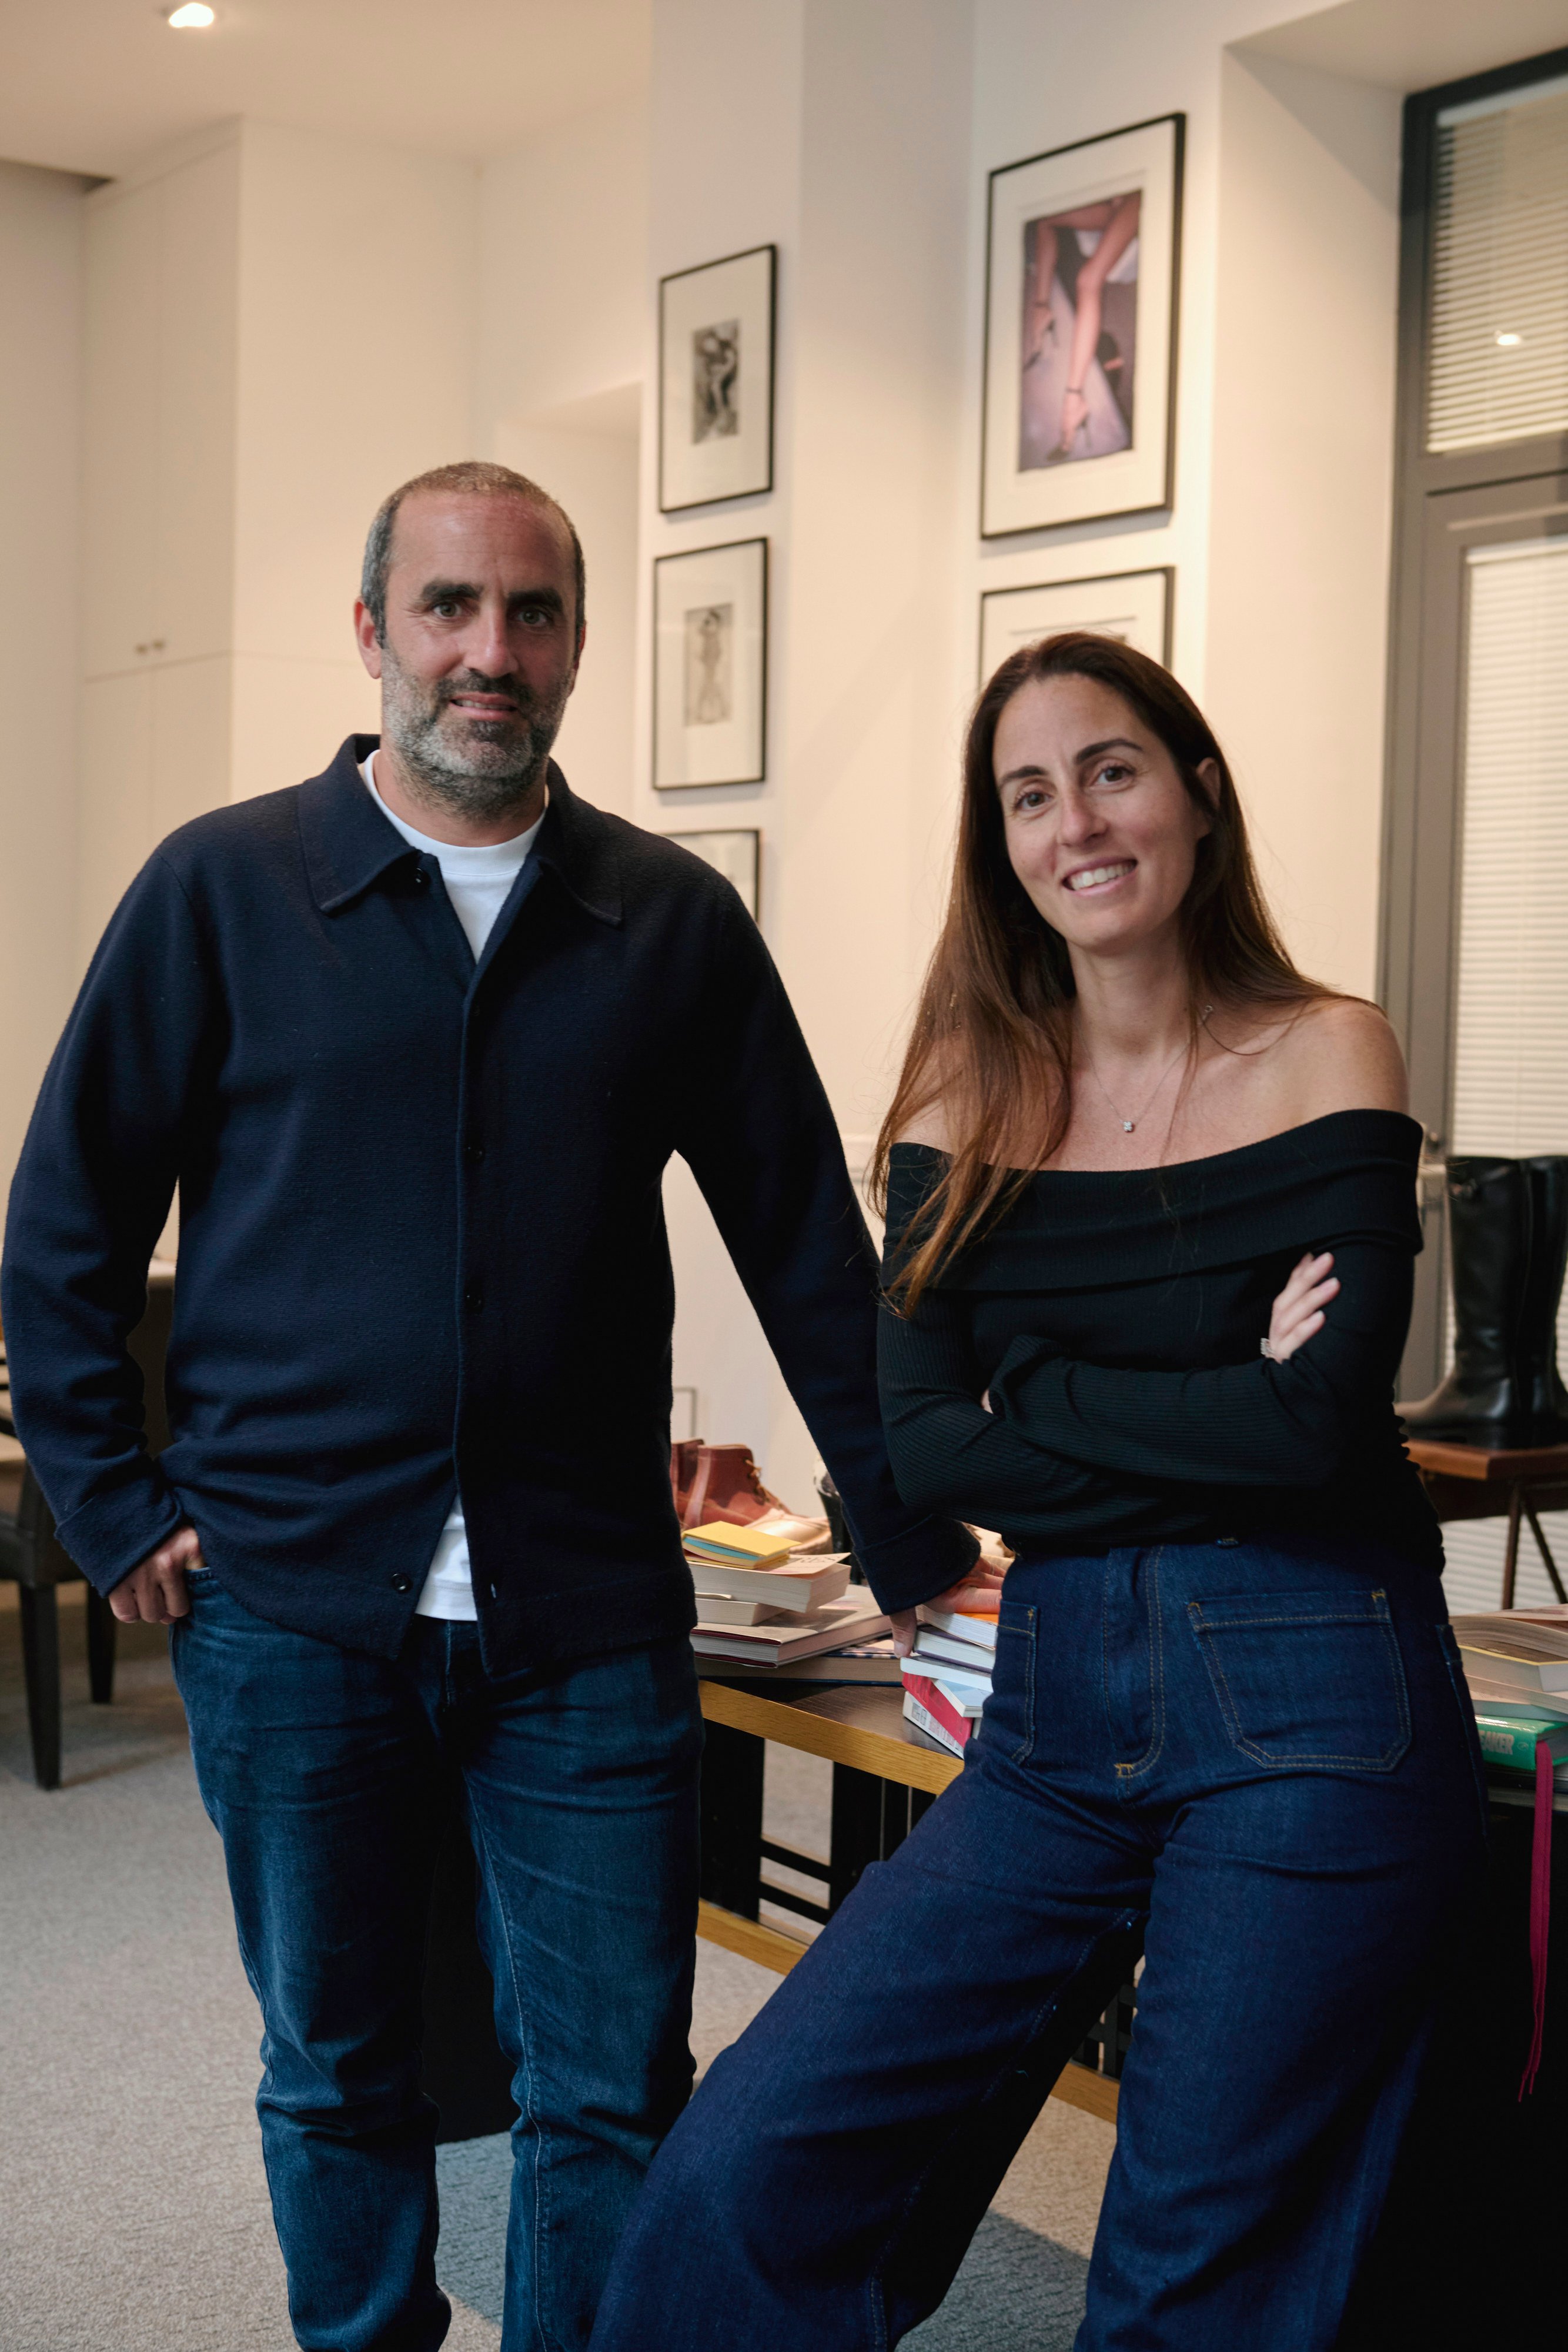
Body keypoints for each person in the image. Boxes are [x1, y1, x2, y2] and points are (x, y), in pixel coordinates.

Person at [0, 460, 975, 2352]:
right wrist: (108, 1507)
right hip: (288, 1601)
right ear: (373, 632)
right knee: (339, 2066)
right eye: (448, 608)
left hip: (587, 1608)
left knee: (610, 2083)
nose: (487, 653)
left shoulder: (665, 919)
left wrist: (915, 1525)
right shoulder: (224, 888)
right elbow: (63, 1221)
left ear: (578, 645)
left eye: (529, 615)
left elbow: (799, 1243)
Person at [586, 634, 1487, 2351]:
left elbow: (1315, 1437)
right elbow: (924, 1447)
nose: (1074, 819)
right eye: (1026, 793)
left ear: (1198, 797)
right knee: (741, 2182)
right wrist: (1208, 1396)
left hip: (1314, 1702)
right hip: (1053, 1714)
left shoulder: (1328, 1055)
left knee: (1186, 2278)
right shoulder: (963, 1100)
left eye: (1112, 769)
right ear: (996, 845)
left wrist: (1045, 1393)